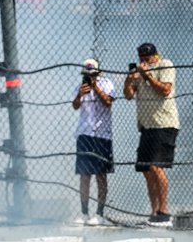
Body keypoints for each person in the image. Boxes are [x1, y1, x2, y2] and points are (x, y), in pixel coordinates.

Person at [124, 42, 179, 226]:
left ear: (155, 55)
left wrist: (147, 75)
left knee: (156, 166)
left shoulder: (165, 64)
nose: (144, 61)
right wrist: (130, 78)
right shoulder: (139, 71)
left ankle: (164, 210)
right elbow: (128, 95)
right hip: (146, 126)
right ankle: (154, 211)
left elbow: (165, 90)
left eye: (147, 58)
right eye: (141, 58)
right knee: (147, 170)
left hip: (164, 123)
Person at [71, 58, 115, 225]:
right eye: (86, 74)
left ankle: (100, 214)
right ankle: (84, 213)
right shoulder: (80, 87)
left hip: (102, 135)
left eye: (92, 74)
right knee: (84, 174)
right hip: (84, 133)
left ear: (98, 73)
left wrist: (95, 86)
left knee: (101, 174)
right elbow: (75, 106)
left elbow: (108, 103)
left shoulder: (107, 83)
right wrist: (80, 94)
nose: (89, 77)